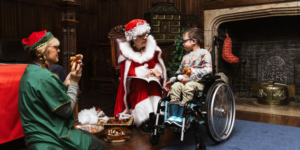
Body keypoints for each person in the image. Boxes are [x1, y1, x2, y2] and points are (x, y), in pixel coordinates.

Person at [18, 30, 106, 150]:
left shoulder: (31, 71)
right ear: (43, 51)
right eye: (56, 47)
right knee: (99, 145)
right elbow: (67, 110)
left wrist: (65, 85)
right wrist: (74, 83)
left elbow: (47, 97)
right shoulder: (45, 77)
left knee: (89, 136)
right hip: (50, 137)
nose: (59, 50)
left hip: (36, 134)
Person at [114, 19, 167, 133]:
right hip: (133, 82)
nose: (145, 38)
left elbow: (157, 64)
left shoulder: (152, 47)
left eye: (146, 35)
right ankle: (143, 119)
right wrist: (147, 73)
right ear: (132, 38)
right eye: (140, 36)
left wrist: (155, 71)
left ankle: (157, 117)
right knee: (141, 84)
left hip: (151, 79)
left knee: (154, 84)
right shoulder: (126, 52)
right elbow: (129, 73)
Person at [163, 28, 212, 127]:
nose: (182, 44)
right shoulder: (186, 57)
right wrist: (172, 81)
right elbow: (180, 72)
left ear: (193, 41)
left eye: (184, 41)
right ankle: (174, 116)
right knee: (176, 86)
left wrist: (190, 78)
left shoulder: (204, 53)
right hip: (185, 81)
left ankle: (182, 116)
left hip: (198, 83)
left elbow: (208, 69)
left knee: (188, 86)